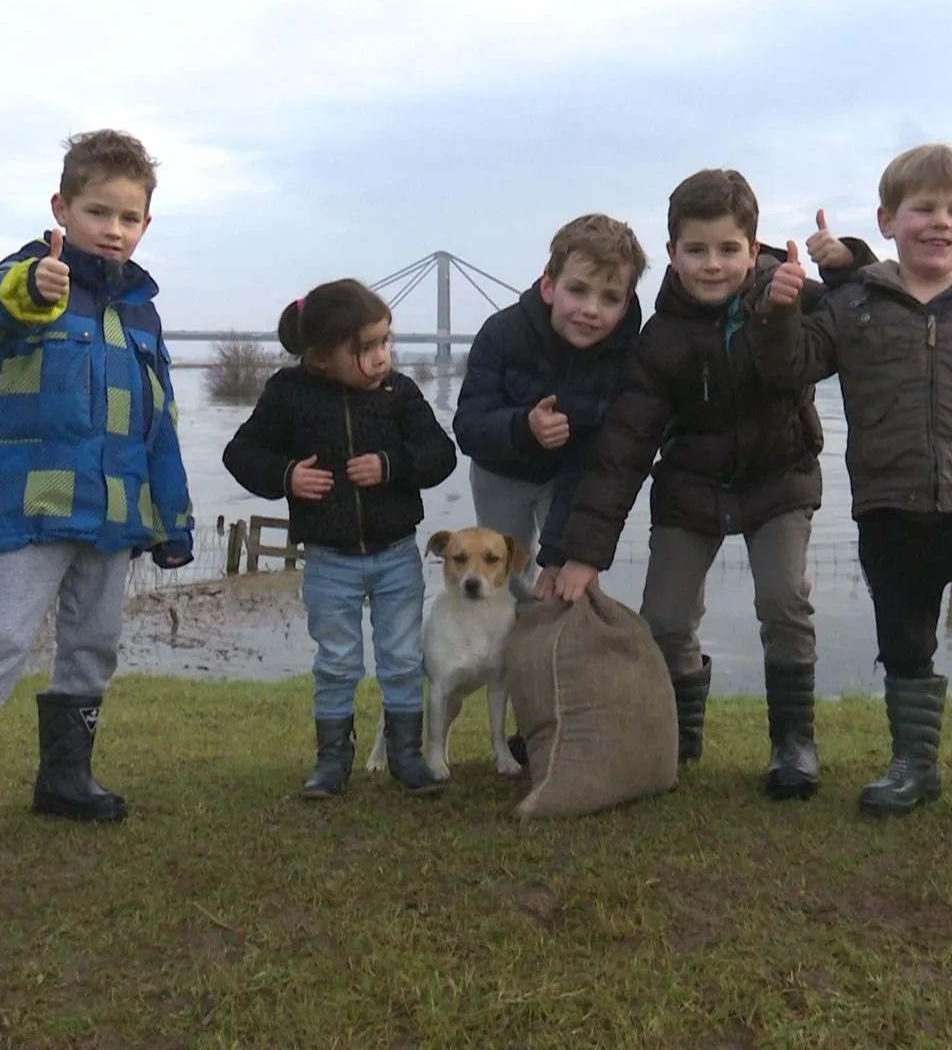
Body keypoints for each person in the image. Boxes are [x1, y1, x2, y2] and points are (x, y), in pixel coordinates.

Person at [0, 129, 195, 877]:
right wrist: (27, 290)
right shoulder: (26, 280)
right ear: (61, 207)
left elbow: (161, 423)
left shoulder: (142, 314)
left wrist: (170, 518)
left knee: (94, 643)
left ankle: (64, 780)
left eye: (129, 217)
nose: (113, 230)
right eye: (97, 212)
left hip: (115, 512)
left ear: (146, 223)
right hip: (33, 507)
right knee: (2, 642)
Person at [750, 142, 952, 842]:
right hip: (891, 511)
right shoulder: (854, 305)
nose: (940, 222)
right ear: (887, 220)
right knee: (905, 641)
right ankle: (913, 768)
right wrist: (774, 313)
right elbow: (790, 366)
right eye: (922, 208)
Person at [539, 168, 875, 800]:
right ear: (671, 254)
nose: (713, 265)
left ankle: (792, 744)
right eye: (696, 250)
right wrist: (581, 553)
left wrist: (848, 262)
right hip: (691, 488)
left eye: (728, 249)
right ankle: (680, 736)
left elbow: (862, 312)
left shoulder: (793, 293)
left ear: (755, 249)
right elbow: (623, 449)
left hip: (781, 480)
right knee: (664, 619)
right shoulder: (657, 337)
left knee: (783, 602)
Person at [221, 278, 458, 798]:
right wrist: (287, 477)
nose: (381, 358)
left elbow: (442, 454)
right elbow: (239, 455)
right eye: (365, 349)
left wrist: (393, 466)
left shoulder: (400, 393)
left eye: (385, 343)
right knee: (337, 661)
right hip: (329, 559)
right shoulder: (287, 394)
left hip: (397, 554)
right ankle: (332, 762)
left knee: (401, 658)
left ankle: (407, 757)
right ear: (322, 356)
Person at [452, 213, 648, 601]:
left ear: (626, 306)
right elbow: (469, 427)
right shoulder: (501, 333)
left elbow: (599, 458)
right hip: (501, 471)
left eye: (609, 298)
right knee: (504, 579)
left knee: (570, 582)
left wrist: (561, 554)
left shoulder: (625, 358)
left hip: (572, 472)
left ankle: (563, 652)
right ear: (548, 286)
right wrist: (525, 426)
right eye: (577, 290)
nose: (591, 310)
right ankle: (507, 653)